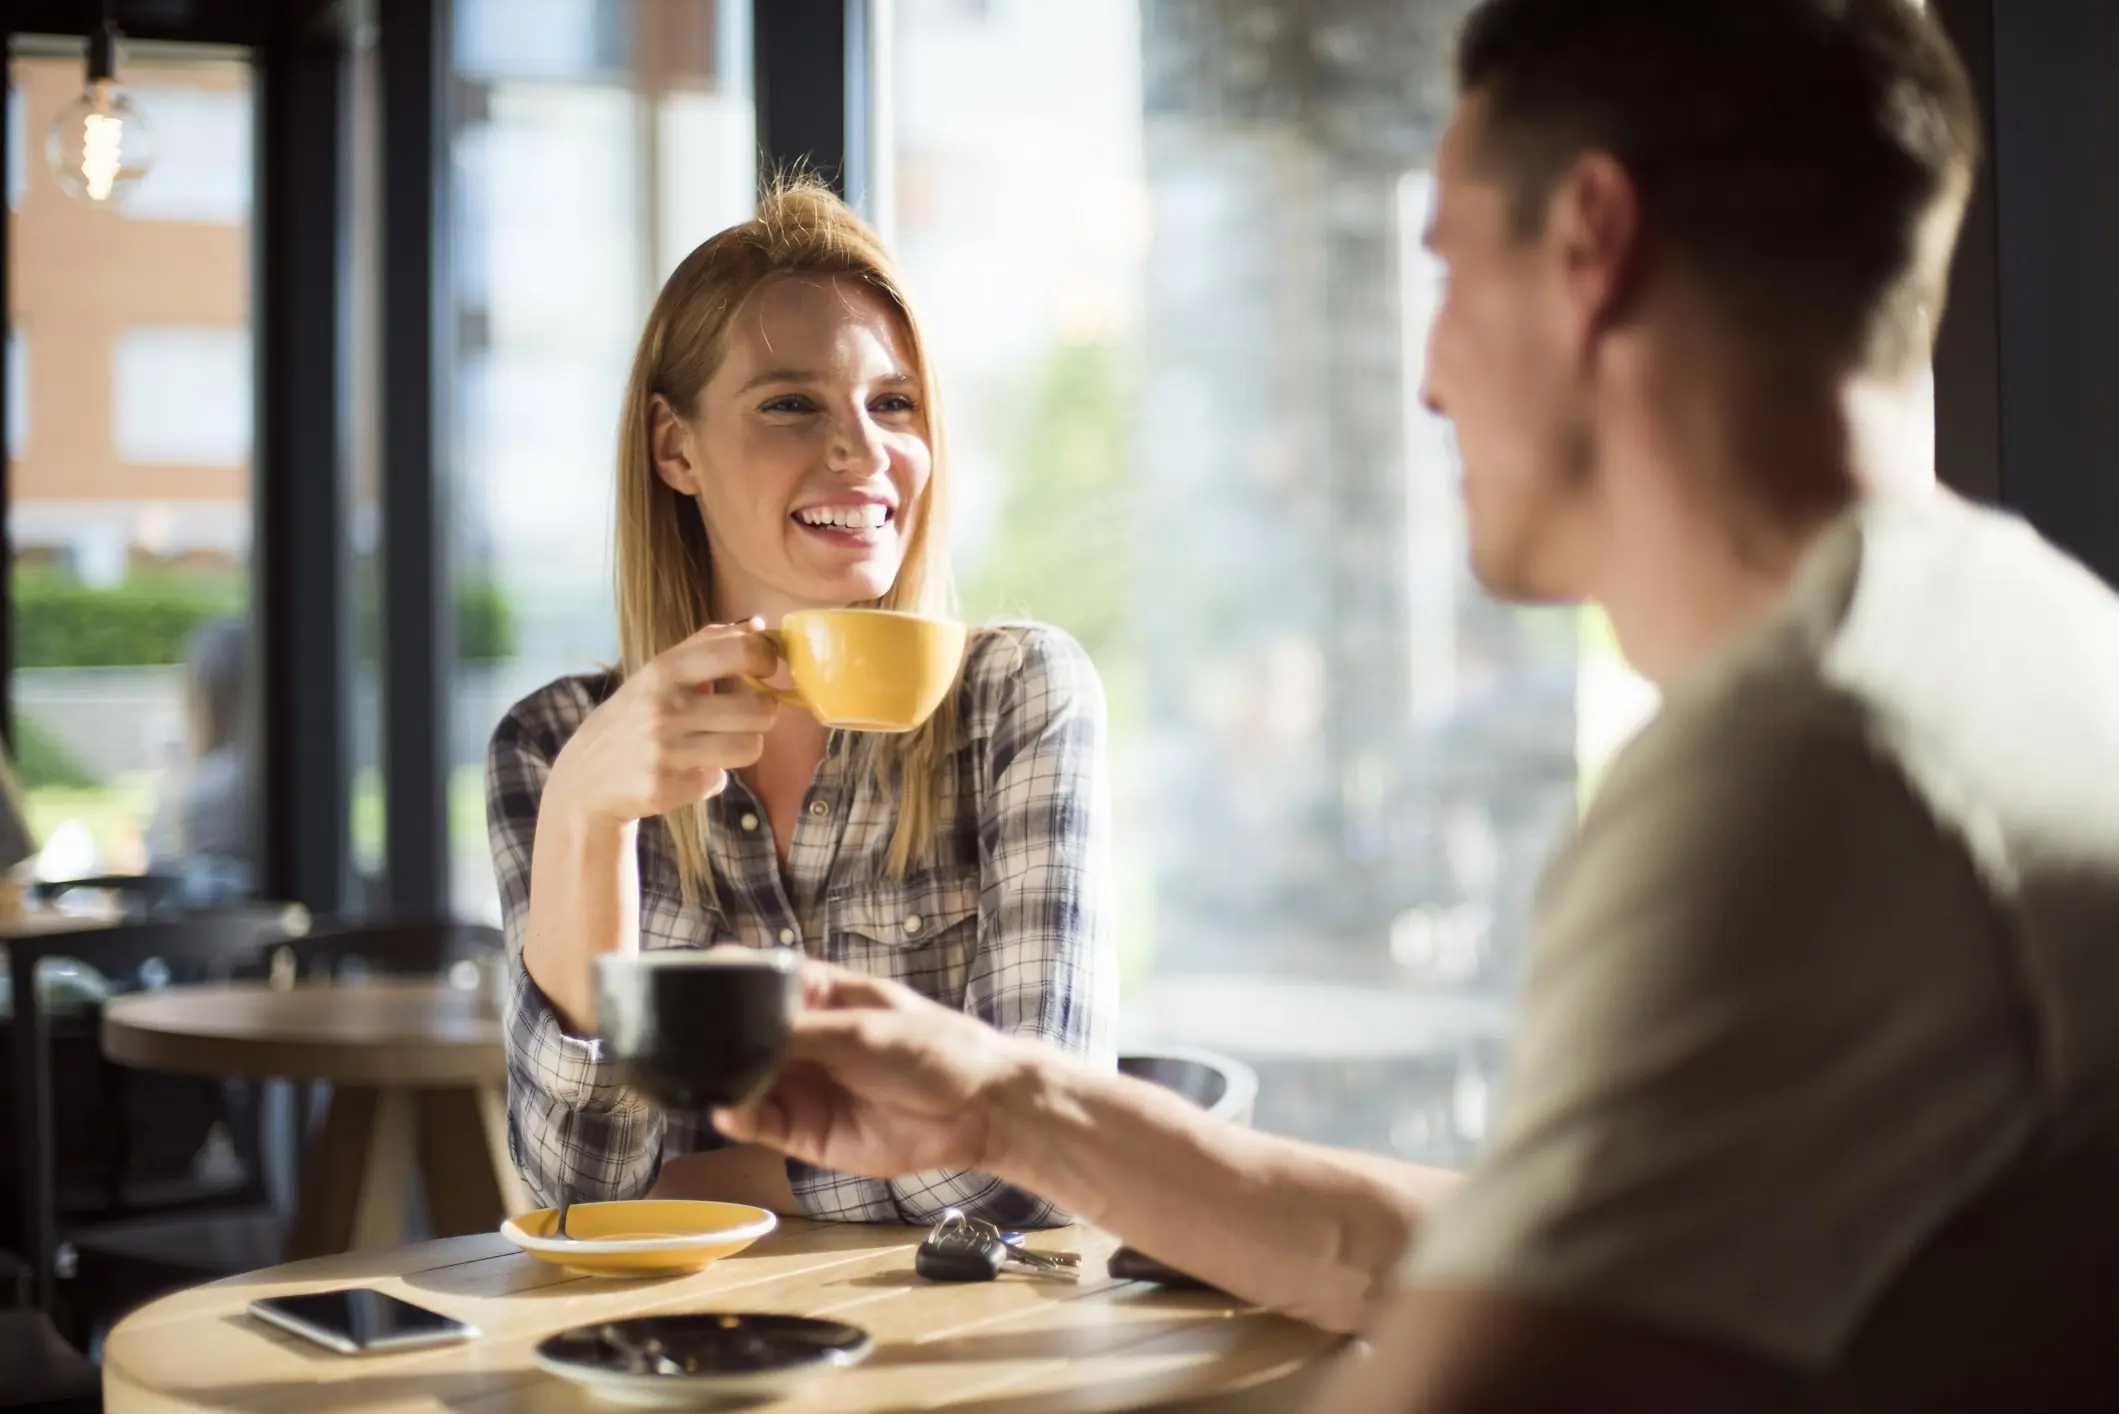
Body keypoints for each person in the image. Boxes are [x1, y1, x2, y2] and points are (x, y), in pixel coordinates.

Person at [713, 1, 2119, 1409]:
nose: (1428, 376)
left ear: (1589, 242)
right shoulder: (2025, 648)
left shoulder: (1804, 766)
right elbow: (1509, 1256)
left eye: (1442, 267)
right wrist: (1007, 1103)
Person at [486, 182, 1116, 1227]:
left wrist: (700, 1182)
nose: (862, 453)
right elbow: (580, 1188)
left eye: (895, 403)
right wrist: (583, 821)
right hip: (686, 1361)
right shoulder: (554, 744)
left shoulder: (1018, 699)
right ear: (674, 448)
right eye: (791, 403)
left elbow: (1030, 1164)